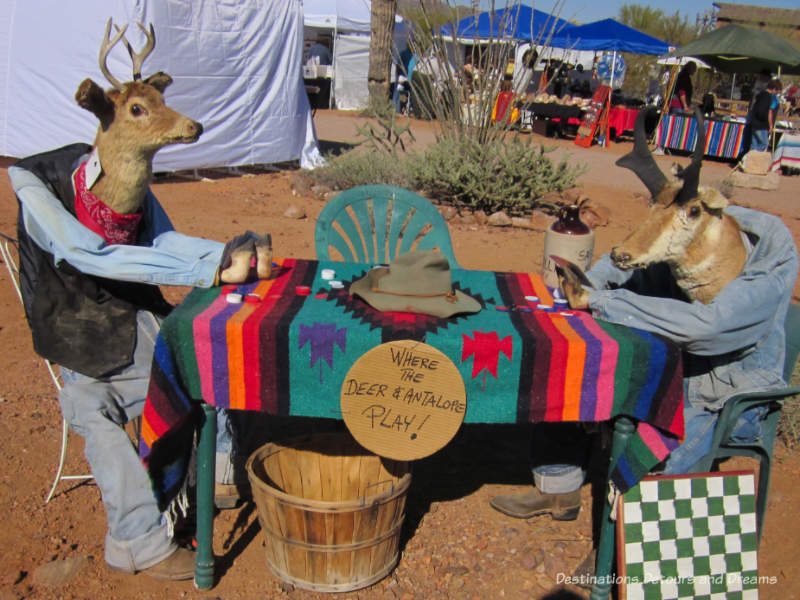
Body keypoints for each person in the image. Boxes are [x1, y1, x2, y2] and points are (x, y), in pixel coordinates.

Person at [9, 149, 269, 579]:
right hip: (74, 322)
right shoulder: (40, 188)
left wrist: (224, 255)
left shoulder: (127, 173)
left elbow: (162, 240)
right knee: (91, 407)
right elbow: (88, 252)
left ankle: (219, 469)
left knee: (205, 345)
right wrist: (215, 265)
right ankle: (138, 540)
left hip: (131, 306)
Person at [491, 205, 798, 521]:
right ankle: (558, 488)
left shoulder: (764, 274)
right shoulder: (690, 229)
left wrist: (602, 300)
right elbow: (627, 260)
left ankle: (624, 555)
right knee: (571, 366)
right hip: (674, 363)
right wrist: (591, 283)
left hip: (724, 392)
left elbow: (706, 328)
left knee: (657, 464)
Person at [747, 78, 783, 152]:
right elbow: (768, 112)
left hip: (755, 123)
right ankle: (754, 162)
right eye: (777, 91)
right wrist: (769, 125)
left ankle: (748, 162)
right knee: (762, 145)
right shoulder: (768, 97)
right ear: (774, 89)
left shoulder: (760, 95)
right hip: (762, 125)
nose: (776, 93)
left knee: (754, 146)